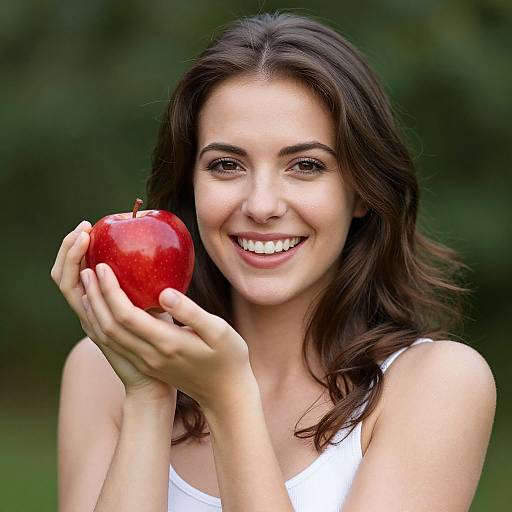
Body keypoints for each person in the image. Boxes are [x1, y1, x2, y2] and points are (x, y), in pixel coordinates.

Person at [51, 11, 496, 512]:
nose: (262, 205)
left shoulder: (434, 383)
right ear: (189, 186)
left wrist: (229, 401)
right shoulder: (101, 370)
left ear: (361, 191)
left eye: (305, 166)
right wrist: (150, 393)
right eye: (226, 164)